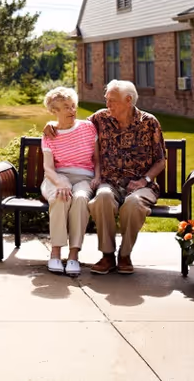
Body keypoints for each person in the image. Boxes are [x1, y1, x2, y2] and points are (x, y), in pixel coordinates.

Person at [43, 80, 165, 275]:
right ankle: (107, 255)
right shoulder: (101, 118)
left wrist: (145, 181)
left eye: (112, 101)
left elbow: (160, 161)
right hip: (110, 183)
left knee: (134, 204)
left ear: (128, 100)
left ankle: (124, 255)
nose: (108, 105)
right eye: (107, 100)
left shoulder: (149, 123)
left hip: (140, 185)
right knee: (102, 198)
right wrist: (51, 123)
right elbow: (72, 123)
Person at [40, 87, 100, 277]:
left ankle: (74, 255)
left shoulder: (88, 128)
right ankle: (56, 252)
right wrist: (59, 182)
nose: (72, 110)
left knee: (81, 198)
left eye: (73, 106)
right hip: (57, 176)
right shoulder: (50, 133)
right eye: (66, 107)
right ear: (54, 111)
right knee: (61, 197)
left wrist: (97, 176)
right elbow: (48, 168)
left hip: (84, 177)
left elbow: (97, 159)